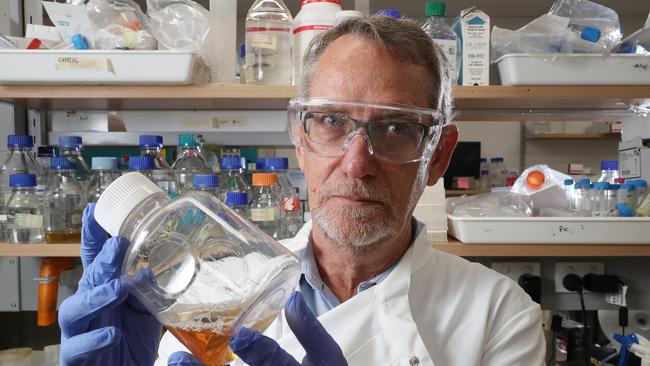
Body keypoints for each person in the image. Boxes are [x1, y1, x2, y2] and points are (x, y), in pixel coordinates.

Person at [59, 16, 546, 366]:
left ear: (438, 154)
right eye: (333, 122)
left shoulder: (498, 316)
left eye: (396, 129)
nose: (357, 164)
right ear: (298, 137)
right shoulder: (209, 297)